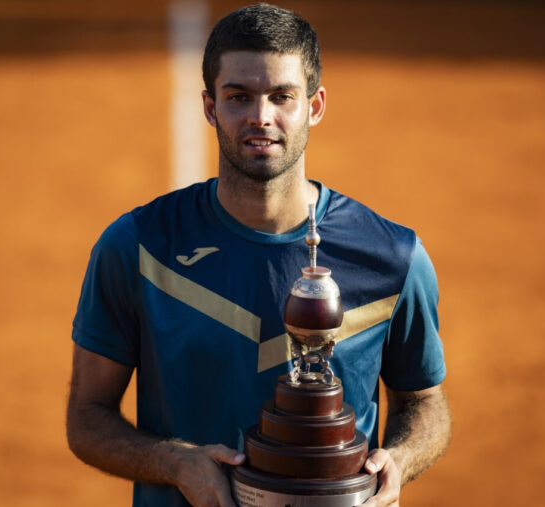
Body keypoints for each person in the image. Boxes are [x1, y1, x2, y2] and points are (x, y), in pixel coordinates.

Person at [66, 4, 451, 507]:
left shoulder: (393, 257)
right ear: (209, 107)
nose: (260, 116)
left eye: (281, 97)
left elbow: (425, 404)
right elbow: (88, 416)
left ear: (314, 106)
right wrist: (175, 461)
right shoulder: (138, 246)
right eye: (239, 96)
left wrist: (399, 458)